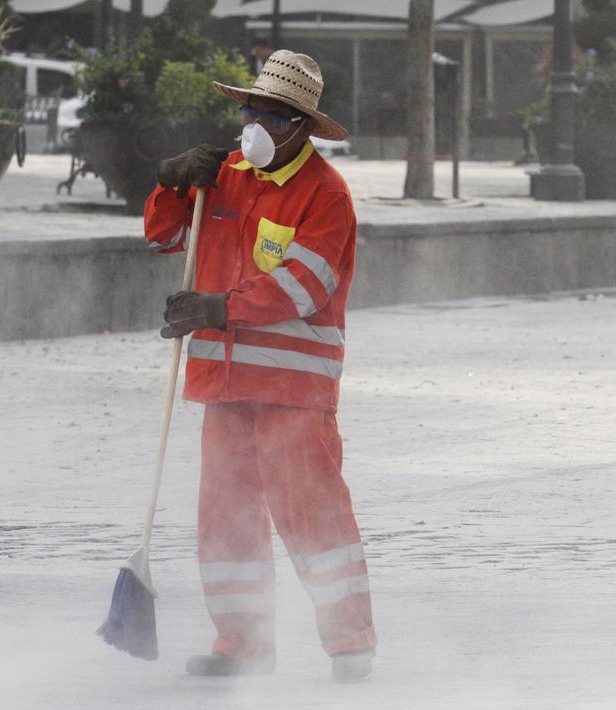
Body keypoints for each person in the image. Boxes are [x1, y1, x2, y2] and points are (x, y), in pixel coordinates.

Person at [143, 50, 376, 683]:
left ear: (301, 125)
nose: (254, 123)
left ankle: (350, 643)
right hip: (223, 383)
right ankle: (241, 646)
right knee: (226, 515)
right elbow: (165, 236)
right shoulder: (227, 174)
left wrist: (217, 308)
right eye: (250, 108)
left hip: (293, 388)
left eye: (271, 114)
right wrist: (170, 181)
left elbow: (307, 286)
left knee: (311, 510)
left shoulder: (326, 194)